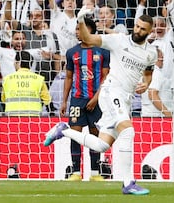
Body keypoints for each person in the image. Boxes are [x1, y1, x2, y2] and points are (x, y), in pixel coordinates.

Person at [43, 8, 157, 195]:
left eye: (143, 29)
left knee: (101, 145)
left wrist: (146, 84)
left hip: (125, 98)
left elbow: (148, 74)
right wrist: (80, 19)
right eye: (136, 26)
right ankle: (128, 183)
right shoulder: (119, 40)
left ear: (149, 31)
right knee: (128, 131)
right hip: (112, 91)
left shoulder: (151, 53)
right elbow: (89, 39)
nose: (137, 31)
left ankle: (64, 130)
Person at [62, 18, 110, 181]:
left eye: (79, 29)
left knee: (95, 135)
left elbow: (106, 77)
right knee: (74, 134)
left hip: (97, 100)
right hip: (77, 99)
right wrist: (64, 101)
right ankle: (76, 172)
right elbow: (68, 77)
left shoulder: (102, 51)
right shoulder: (71, 53)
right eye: (75, 29)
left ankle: (95, 173)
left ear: (89, 30)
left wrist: (96, 98)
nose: (76, 32)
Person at [1, 51, 51, 116]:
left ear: (18, 62)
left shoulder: (7, 79)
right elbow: (47, 100)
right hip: (34, 117)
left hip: (12, 117)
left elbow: (3, 100)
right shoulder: (39, 79)